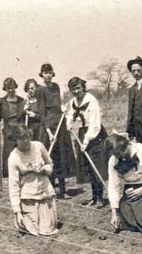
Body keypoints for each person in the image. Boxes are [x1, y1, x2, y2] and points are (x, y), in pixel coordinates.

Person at [66, 77, 109, 208]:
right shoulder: (73, 101)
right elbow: (70, 113)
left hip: (95, 135)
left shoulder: (91, 100)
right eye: (73, 89)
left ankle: (101, 198)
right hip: (82, 132)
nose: (76, 91)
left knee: (96, 165)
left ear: (83, 87)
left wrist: (86, 141)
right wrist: (69, 123)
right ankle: (94, 197)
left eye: (78, 88)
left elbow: (95, 124)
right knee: (88, 167)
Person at [8, 126, 59, 236]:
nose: (26, 141)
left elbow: (50, 164)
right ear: (15, 140)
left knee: (47, 230)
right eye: (22, 138)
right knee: (32, 229)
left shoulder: (38, 146)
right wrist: (17, 211)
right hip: (28, 197)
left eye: (28, 137)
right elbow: (14, 186)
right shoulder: (13, 158)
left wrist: (45, 169)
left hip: (45, 192)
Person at [37, 63, 76, 199]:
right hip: (48, 128)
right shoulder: (40, 90)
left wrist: (63, 109)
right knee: (50, 158)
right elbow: (42, 113)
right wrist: (48, 132)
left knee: (62, 157)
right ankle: (51, 190)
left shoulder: (56, 87)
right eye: (45, 72)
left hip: (60, 125)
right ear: (41, 74)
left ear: (53, 73)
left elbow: (58, 106)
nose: (47, 75)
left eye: (49, 72)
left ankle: (63, 190)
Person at [0, 77, 26, 178]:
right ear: (5, 89)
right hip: (8, 132)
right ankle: (11, 178)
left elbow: (24, 116)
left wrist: (26, 109)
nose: (11, 90)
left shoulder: (21, 100)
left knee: (22, 154)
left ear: (15, 87)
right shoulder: (2, 101)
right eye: (9, 88)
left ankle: (23, 175)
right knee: (9, 155)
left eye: (13, 88)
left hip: (20, 131)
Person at [23, 78, 45, 143]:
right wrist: (23, 111)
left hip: (41, 130)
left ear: (36, 88)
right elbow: (20, 120)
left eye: (32, 88)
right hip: (30, 131)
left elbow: (45, 117)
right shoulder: (25, 103)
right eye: (28, 89)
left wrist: (35, 115)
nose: (30, 90)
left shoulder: (41, 101)